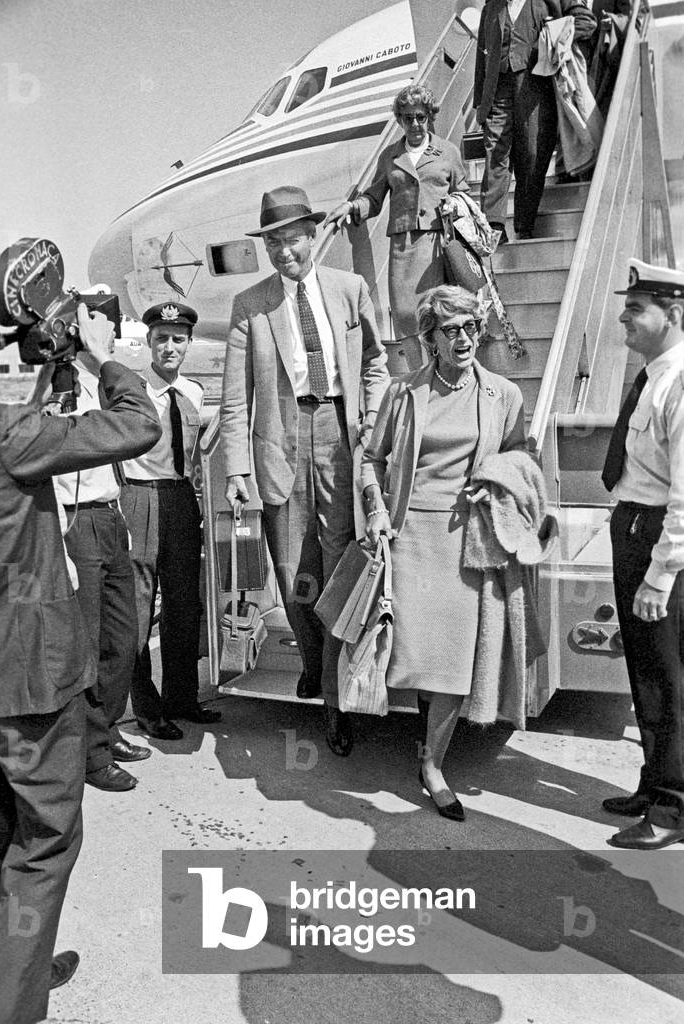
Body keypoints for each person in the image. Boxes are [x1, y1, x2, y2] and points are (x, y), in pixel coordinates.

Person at [0, 305, 161, 1024]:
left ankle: (14, 963)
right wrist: (96, 357)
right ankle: (12, 1001)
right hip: (25, 675)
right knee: (44, 840)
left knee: (0, 834)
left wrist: (39, 370)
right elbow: (137, 423)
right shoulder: (14, 434)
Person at [220, 185, 389, 756]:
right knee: (294, 572)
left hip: (339, 435)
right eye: (274, 243)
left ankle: (339, 701)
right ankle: (315, 665)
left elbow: (375, 364)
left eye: (292, 239)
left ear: (313, 235)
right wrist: (237, 468)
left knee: (341, 562)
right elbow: (235, 399)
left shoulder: (350, 289)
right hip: (281, 438)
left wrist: (370, 422)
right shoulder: (251, 305)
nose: (285, 252)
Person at [361, 285, 527, 819]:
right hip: (410, 537)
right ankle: (409, 737)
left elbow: (520, 459)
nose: (463, 339)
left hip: (467, 543)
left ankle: (432, 764)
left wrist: (497, 480)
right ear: (429, 338)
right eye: (450, 330)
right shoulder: (403, 392)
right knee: (411, 654)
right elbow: (371, 458)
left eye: (472, 328)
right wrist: (376, 510)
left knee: (455, 661)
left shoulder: (504, 394)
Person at [28, 354, 151, 793]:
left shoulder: (95, 378)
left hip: (110, 513)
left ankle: (106, 729)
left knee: (122, 638)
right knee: (88, 641)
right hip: (74, 519)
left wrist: (100, 361)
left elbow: (131, 428)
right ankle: (90, 756)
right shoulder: (41, 383)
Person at [600, 258, 684, 850]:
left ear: (674, 314)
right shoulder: (652, 376)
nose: (624, 318)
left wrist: (660, 575)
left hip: (659, 538)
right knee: (644, 671)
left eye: (636, 309)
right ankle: (652, 783)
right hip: (632, 527)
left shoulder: (679, 384)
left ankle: (674, 807)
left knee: (671, 674)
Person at [121, 302, 221, 740]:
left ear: (188, 343)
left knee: (185, 604)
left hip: (181, 498)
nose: (169, 347)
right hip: (140, 496)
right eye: (161, 338)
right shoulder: (132, 391)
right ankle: (146, 710)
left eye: (178, 339)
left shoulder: (195, 392)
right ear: (148, 342)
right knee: (139, 608)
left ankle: (182, 697)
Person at [324, 85, 468, 345]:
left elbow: (463, 194)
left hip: (439, 244)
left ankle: (442, 369)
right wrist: (351, 207)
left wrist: (455, 206)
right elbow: (374, 198)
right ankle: (419, 374)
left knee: (438, 312)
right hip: (403, 246)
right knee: (405, 314)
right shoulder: (390, 156)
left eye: (420, 117)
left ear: (429, 116)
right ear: (400, 120)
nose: (414, 124)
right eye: (407, 118)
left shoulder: (448, 152)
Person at [474, 0, 597, 242]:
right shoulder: (491, 8)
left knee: (531, 156)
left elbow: (586, 22)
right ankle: (494, 226)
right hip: (498, 90)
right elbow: (482, 56)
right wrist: (480, 102)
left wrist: (556, 35)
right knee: (495, 154)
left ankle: (524, 224)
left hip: (536, 88)